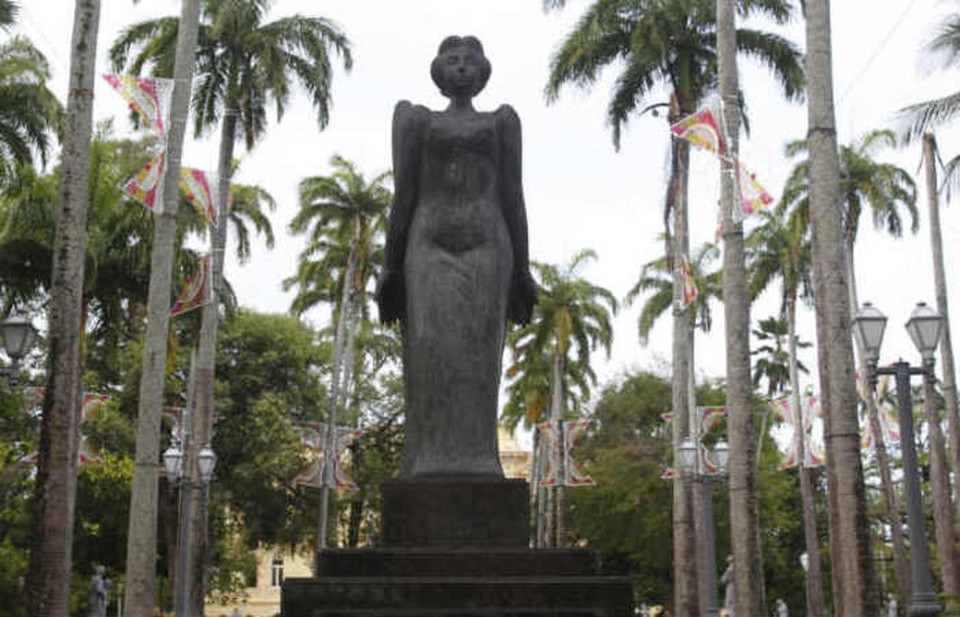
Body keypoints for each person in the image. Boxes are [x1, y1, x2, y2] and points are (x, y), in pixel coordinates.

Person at [377, 35, 536, 479]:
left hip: (488, 246)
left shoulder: (502, 122)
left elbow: (513, 197)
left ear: (483, 73)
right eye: (453, 61)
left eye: (470, 62)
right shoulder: (417, 120)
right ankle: (429, 459)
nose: (462, 68)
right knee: (431, 348)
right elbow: (403, 195)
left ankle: (479, 460)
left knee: (479, 354)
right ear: (439, 71)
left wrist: (522, 270)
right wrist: (391, 267)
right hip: (428, 246)